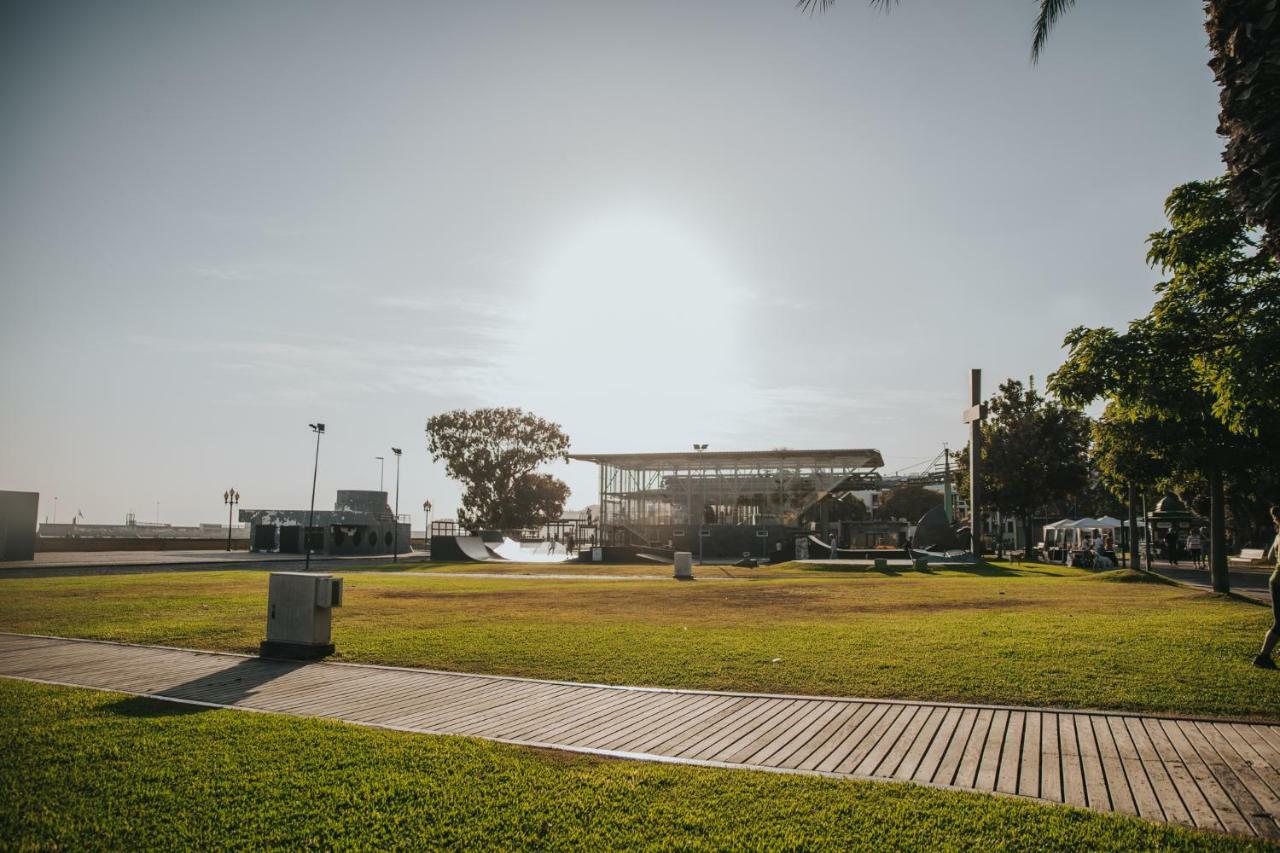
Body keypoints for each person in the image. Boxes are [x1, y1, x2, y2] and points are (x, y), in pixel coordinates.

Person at [1253, 506, 1280, 669]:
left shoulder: (1278, 535)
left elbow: (1270, 557)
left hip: (1275, 580)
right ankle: (1263, 657)